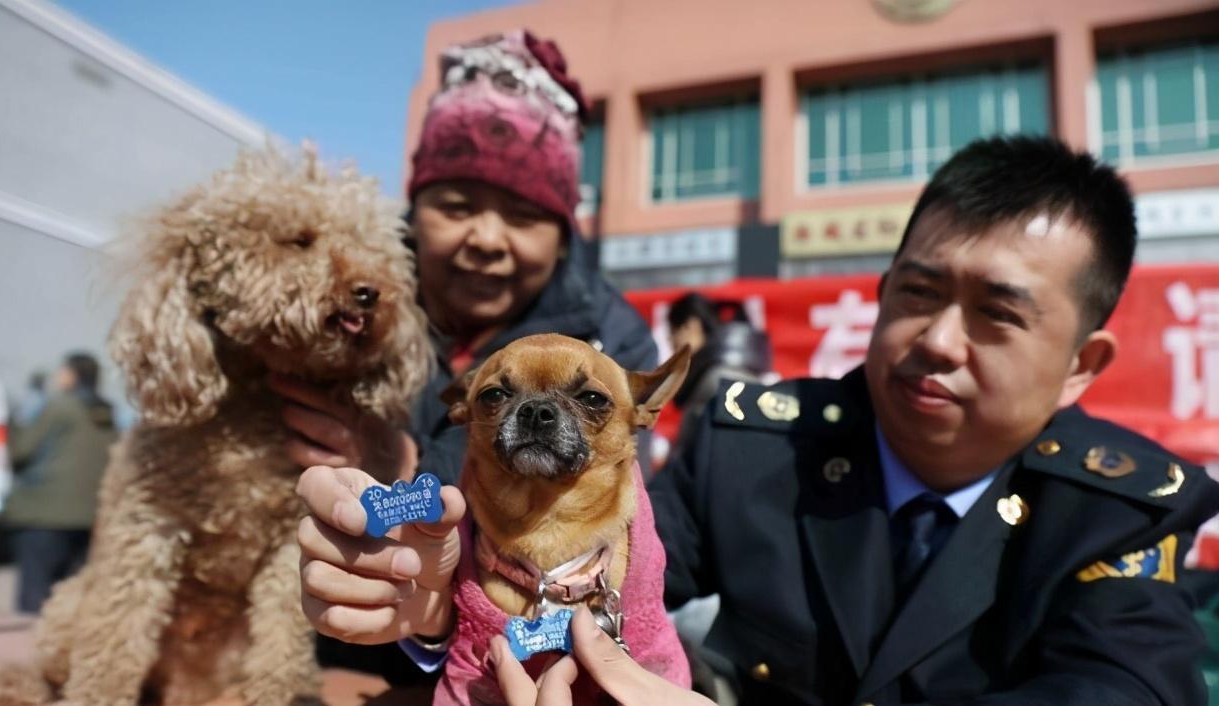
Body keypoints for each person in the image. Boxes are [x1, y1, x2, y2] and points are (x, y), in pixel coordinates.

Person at [295, 135, 1219, 705]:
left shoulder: (1119, 513)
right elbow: (609, 568)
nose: (938, 340)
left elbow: (1121, 691)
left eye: (998, 315)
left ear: (1082, 365)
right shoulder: (753, 445)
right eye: (918, 292)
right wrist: (441, 598)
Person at [276, 29, 658, 680]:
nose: (485, 238)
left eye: (523, 217)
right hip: (312, 649)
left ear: (563, 235)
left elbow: (613, 532)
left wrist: (405, 470)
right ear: (414, 210)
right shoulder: (346, 307)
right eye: (456, 206)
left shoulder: (614, 343)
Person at [3, 352, 117, 613]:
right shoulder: (106, 413)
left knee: (34, 599)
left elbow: (20, 451)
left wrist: (15, 419)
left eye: (62, 371)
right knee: (69, 599)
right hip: (88, 516)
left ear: (73, 376)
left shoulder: (58, 406)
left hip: (44, 516)